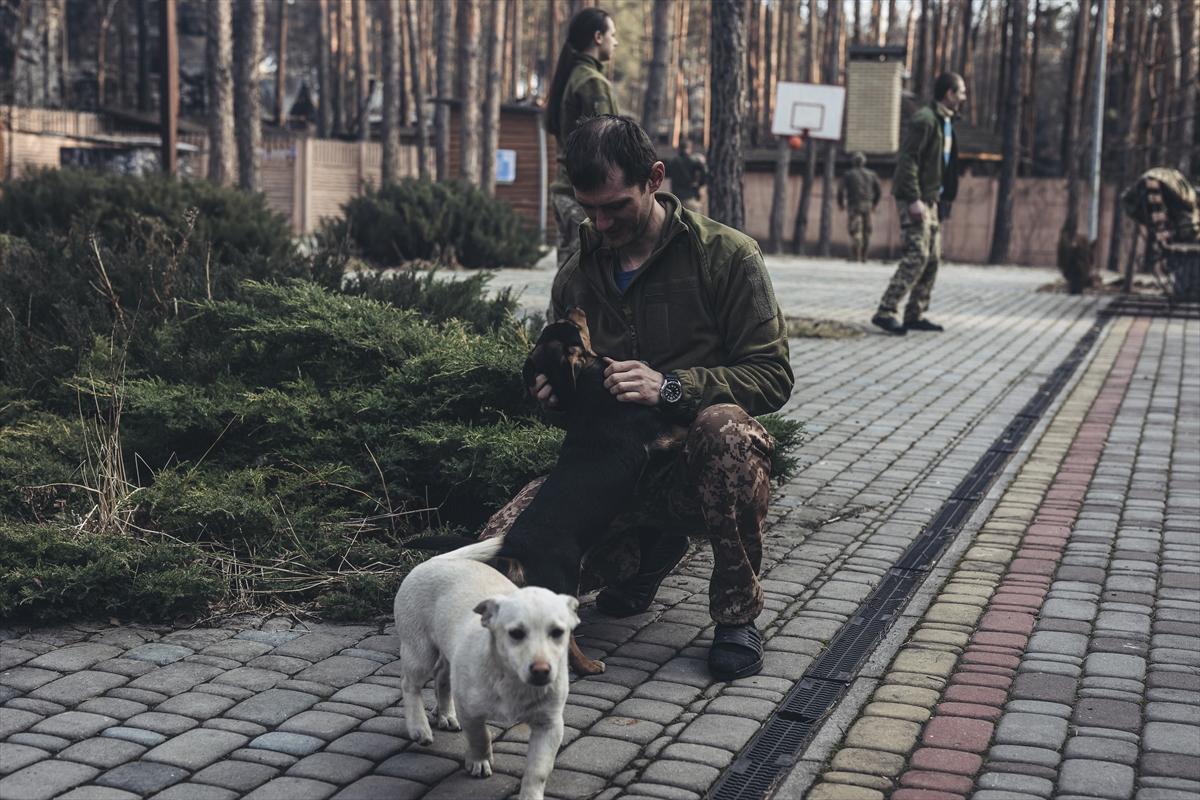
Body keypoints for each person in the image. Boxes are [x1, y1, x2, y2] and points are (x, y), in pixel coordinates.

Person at [481, 115, 794, 681]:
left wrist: (670, 386)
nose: (601, 223)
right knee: (498, 556)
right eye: (588, 209)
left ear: (655, 178)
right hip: (613, 477)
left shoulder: (727, 256)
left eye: (615, 207)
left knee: (725, 428)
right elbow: (570, 399)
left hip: (701, 469)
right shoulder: (577, 275)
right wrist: (550, 395)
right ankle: (647, 557)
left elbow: (772, 375)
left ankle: (737, 614)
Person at [871, 71, 965, 336]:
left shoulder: (945, 123)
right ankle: (886, 310)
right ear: (949, 93)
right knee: (918, 255)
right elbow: (908, 161)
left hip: (932, 199)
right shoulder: (924, 120)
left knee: (933, 258)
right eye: (961, 92)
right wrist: (913, 199)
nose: (964, 97)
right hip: (915, 197)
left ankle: (915, 314)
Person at [544, 8, 619, 271]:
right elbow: (607, 145)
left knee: (567, 275)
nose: (616, 41)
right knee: (585, 280)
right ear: (598, 37)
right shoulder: (591, 82)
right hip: (586, 197)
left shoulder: (571, 77)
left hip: (566, 191)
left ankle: (557, 316)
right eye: (613, 34)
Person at [837, 151, 882, 262]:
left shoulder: (848, 174)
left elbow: (840, 190)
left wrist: (841, 204)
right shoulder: (872, 175)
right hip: (867, 205)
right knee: (867, 231)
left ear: (853, 162)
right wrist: (875, 204)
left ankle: (855, 256)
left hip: (854, 204)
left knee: (855, 230)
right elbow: (879, 191)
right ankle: (864, 256)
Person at [668, 137, 707, 213]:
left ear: (679, 148)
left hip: (676, 199)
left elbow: (667, 173)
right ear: (690, 148)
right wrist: (700, 184)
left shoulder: (673, 162)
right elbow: (704, 171)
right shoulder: (694, 161)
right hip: (691, 197)